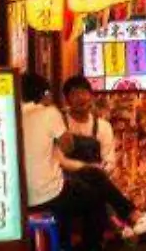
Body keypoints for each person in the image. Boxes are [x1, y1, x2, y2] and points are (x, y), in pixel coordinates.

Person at [59, 75, 146, 238]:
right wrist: (88, 169)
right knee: (95, 184)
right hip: (64, 181)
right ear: (67, 100)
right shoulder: (59, 123)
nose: (80, 98)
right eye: (74, 94)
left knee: (96, 188)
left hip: (96, 179)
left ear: (91, 96)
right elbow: (58, 160)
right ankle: (133, 218)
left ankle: (122, 225)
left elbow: (109, 160)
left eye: (84, 92)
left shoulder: (102, 126)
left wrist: (102, 169)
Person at [20, 73, 108, 248]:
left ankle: (130, 215)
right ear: (44, 93)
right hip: (48, 195)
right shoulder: (49, 113)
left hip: (20, 196)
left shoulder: (12, 114)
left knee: (89, 180)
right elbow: (68, 147)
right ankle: (88, 246)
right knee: (95, 197)